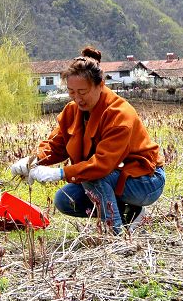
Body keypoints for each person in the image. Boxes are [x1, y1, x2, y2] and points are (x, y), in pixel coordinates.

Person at [11, 47, 165, 233]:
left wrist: (60, 173)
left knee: (93, 176)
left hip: (145, 181)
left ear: (100, 85)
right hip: (114, 177)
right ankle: (130, 212)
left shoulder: (119, 114)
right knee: (65, 200)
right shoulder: (72, 110)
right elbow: (56, 145)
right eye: (71, 92)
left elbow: (101, 165)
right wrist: (33, 160)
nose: (77, 99)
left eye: (82, 92)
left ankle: (113, 231)